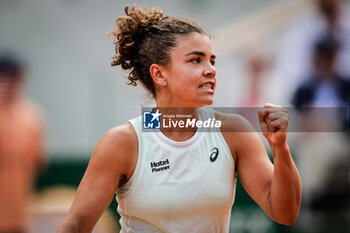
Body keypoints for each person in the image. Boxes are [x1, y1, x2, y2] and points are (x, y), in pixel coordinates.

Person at [57, 5, 301, 233]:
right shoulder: (122, 142)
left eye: (211, 61)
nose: (211, 70)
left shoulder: (233, 131)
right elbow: (76, 225)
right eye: (196, 60)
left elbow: (285, 213)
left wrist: (280, 149)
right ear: (159, 74)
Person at [0, 54, 46, 233]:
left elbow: (37, 161)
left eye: (15, 79)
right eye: (5, 78)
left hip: (21, 210)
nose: (9, 85)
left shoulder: (33, 115)